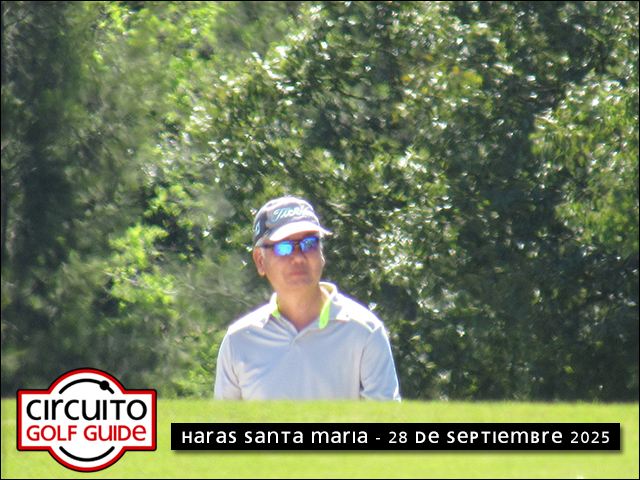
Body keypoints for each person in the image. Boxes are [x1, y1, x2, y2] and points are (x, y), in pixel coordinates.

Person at [214, 196, 401, 401]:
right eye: (283, 247)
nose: (298, 257)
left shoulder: (365, 332)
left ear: (321, 254)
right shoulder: (238, 340)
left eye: (309, 244)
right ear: (260, 260)